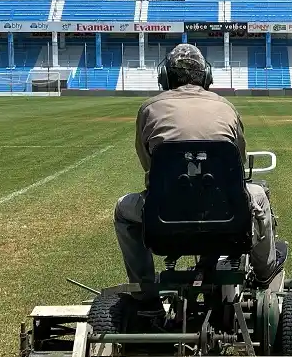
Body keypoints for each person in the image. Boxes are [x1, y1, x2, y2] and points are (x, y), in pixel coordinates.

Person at [114, 43, 282, 294]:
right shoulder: (225, 107)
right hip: (225, 210)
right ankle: (265, 271)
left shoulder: (149, 109)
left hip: (165, 212)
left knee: (122, 210)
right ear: (206, 76)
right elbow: (237, 161)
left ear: (165, 77)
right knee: (259, 195)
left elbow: (149, 166)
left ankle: (144, 290)